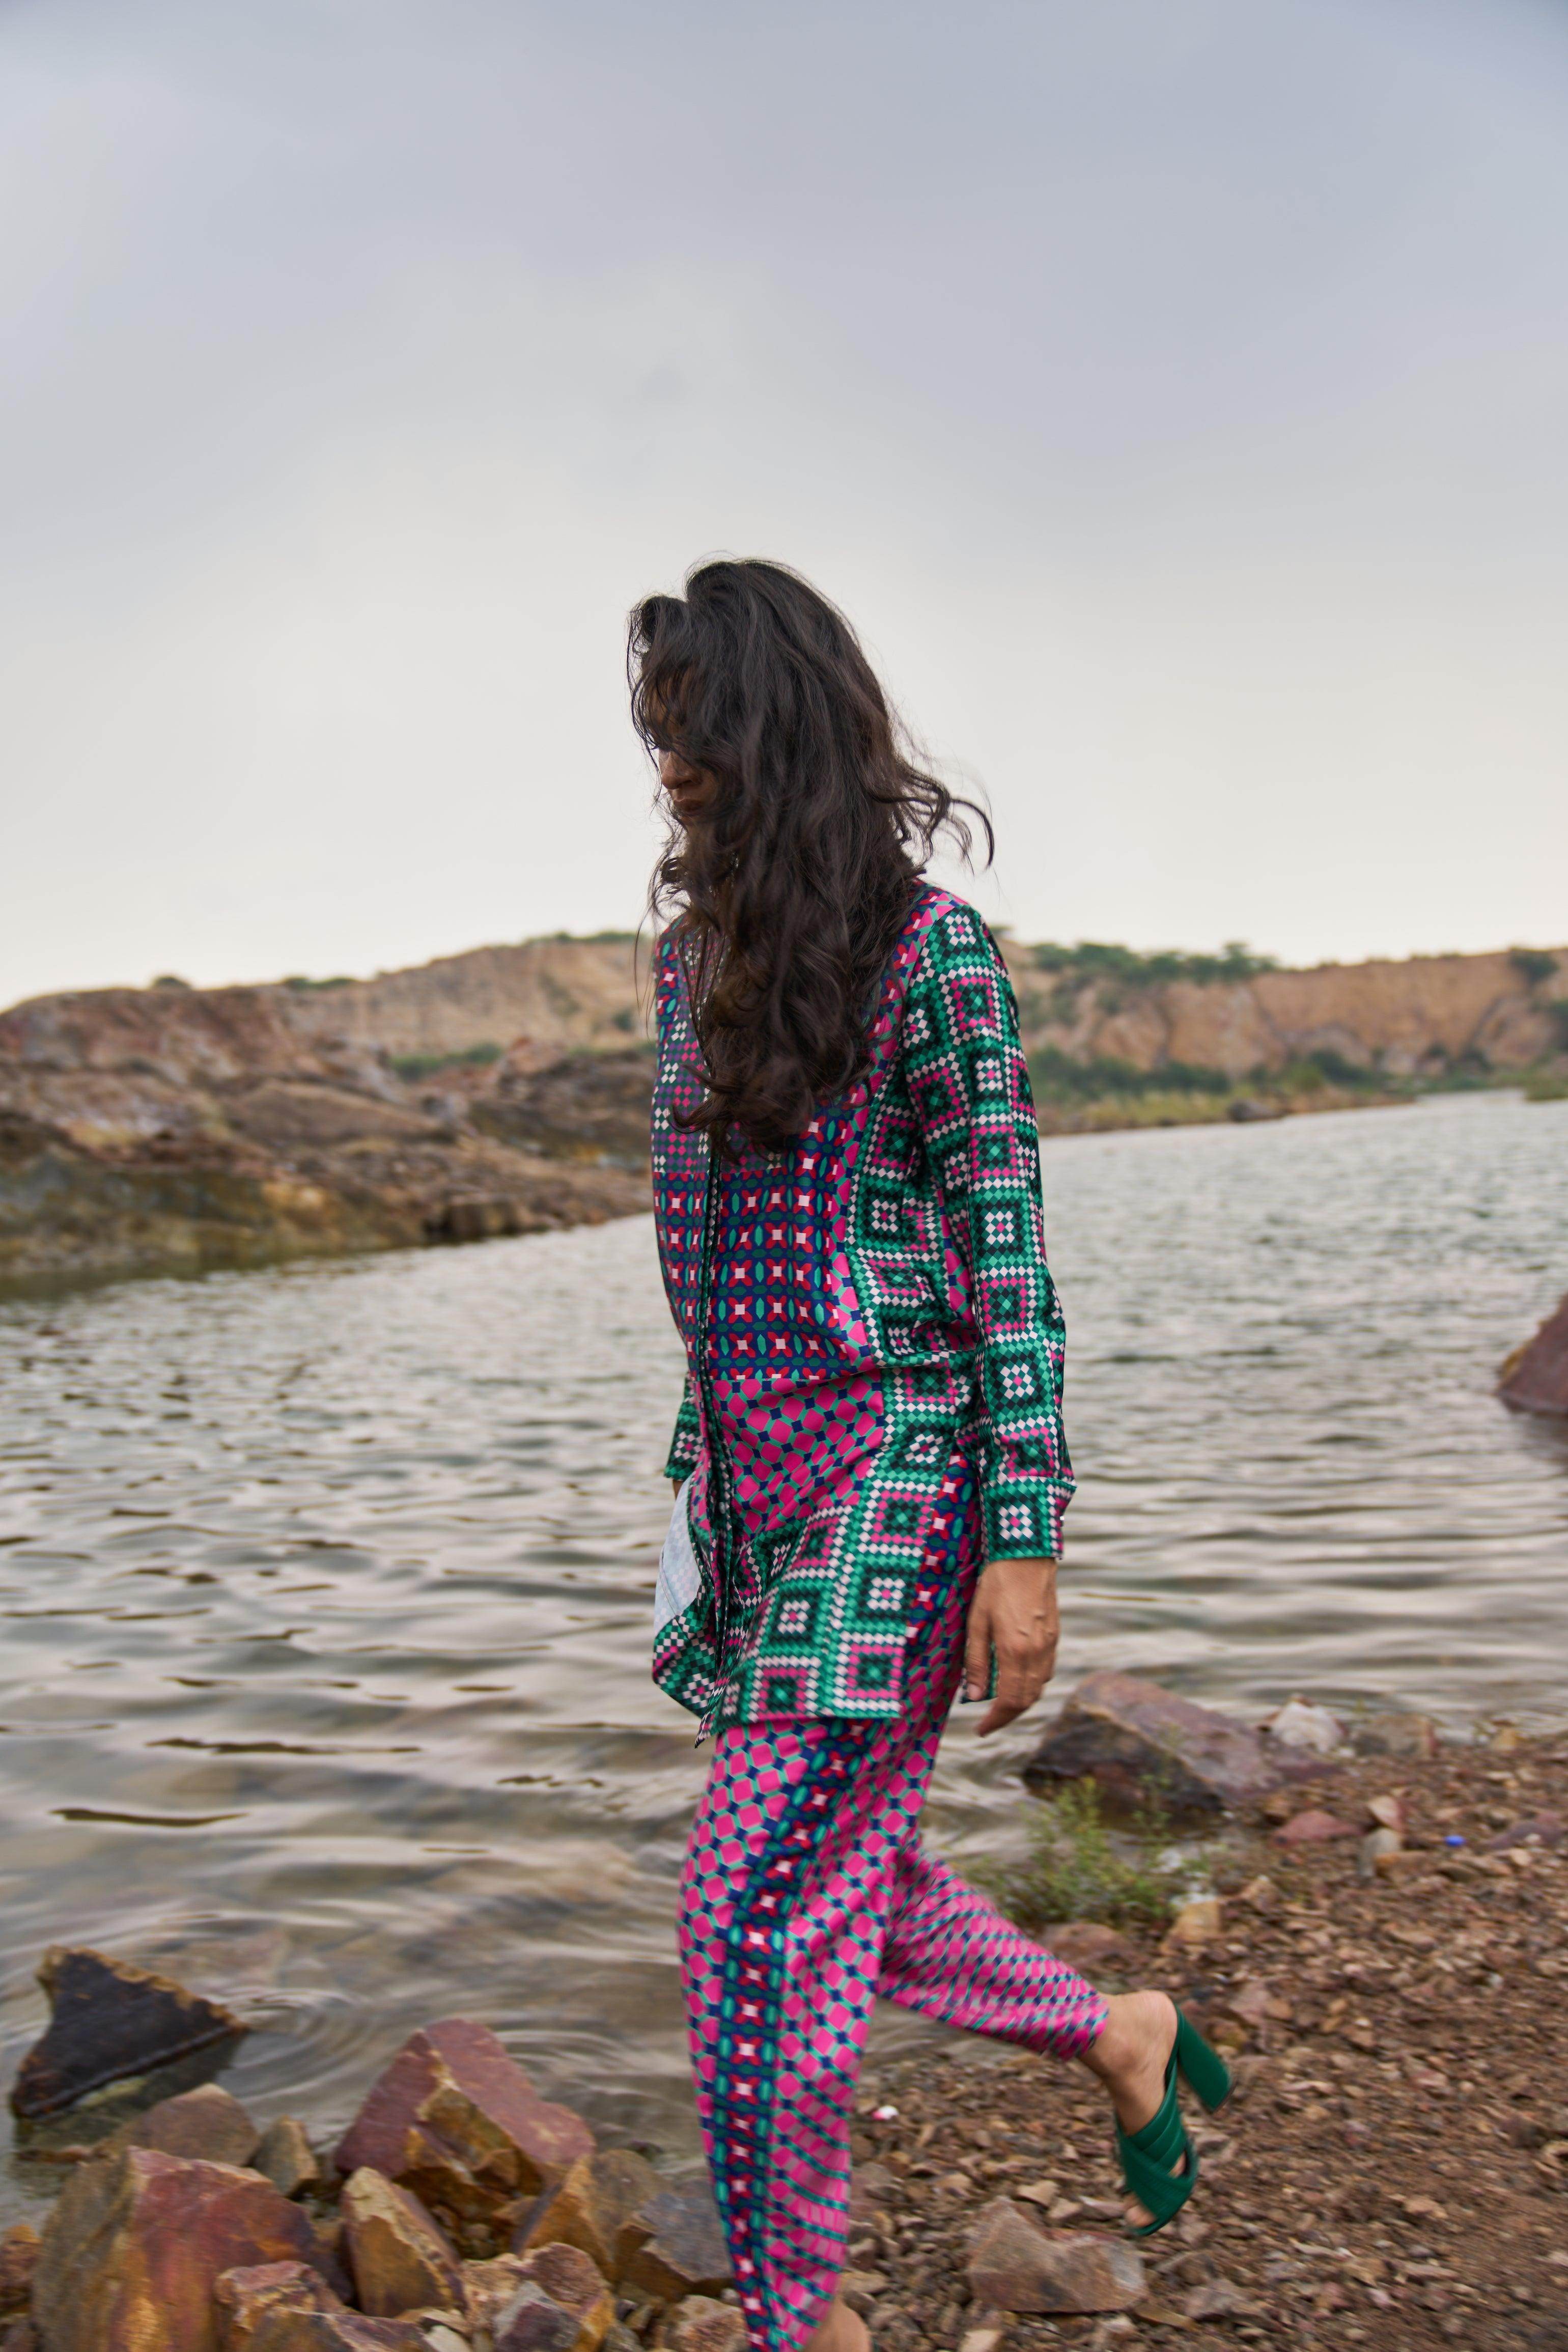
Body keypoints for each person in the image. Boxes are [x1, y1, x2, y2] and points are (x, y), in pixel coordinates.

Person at [631, 560, 1228, 2352]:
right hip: (752, 1498)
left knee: (744, 1901)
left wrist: (1024, 1540)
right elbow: (706, 1260)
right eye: (656, 734)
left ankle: (796, 2321)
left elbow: (1010, 1267)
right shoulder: (688, 968)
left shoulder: (934, 956)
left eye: (697, 730)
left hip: (901, 1486)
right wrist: (698, 1501)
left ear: (778, 730)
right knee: (847, 1879)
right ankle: (1121, 2032)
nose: (671, 767)